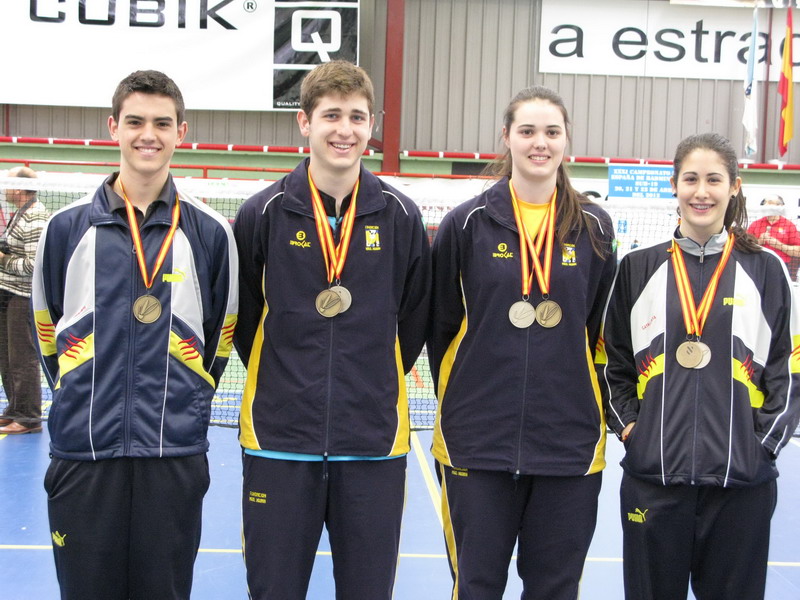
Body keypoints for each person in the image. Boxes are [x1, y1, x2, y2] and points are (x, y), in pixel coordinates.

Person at [31, 70, 238, 600]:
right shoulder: (67, 228)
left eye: (162, 123)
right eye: (136, 121)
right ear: (113, 128)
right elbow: (46, 331)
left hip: (172, 452)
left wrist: (184, 400)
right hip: (84, 451)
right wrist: (82, 396)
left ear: (181, 132)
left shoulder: (210, 232)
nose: (149, 134)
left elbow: (219, 340)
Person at [233, 60, 431, 599]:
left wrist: (366, 378)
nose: (344, 129)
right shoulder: (263, 213)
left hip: (372, 445)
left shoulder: (401, 217)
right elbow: (248, 322)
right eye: (331, 115)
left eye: (357, 117)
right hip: (278, 442)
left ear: (373, 125)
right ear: (305, 122)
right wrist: (288, 380)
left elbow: (411, 321)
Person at [427, 86, 617, 599]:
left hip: (569, 446)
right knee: (478, 586)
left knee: (555, 588)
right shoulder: (465, 224)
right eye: (527, 131)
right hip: (476, 441)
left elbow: (600, 331)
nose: (540, 143)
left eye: (551, 132)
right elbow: (441, 326)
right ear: (506, 138)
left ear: (566, 142)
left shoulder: (596, 228)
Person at [600, 133, 800, 600]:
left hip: (741, 485)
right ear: (675, 185)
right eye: (691, 179)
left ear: (734, 186)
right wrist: (633, 429)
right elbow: (612, 363)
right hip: (655, 483)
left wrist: (760, 448)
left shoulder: (767, 269)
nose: (701, 191)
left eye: (714, 179)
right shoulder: (637, 268)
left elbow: (788, 367)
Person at [0, 167, 49, 434]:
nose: (5, 188)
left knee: (22, 358)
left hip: (23, 297)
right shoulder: (20, 214)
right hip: (7, 292)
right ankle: (14, 410)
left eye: (8, 183)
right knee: (6, 358)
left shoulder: (36, 217)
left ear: (18, 189)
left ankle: (28, 418)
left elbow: (33, 266)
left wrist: (3, 259)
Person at [746, 194, 800, 277]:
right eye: (765, 204)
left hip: (781, 265)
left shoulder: (789, 225)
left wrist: (779, 245)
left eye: (770, 203)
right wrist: (759, 241)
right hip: (758, 265)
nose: (767, 206)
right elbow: (745, 246)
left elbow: (797, 252)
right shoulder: (755, 224)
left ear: (780, 207)